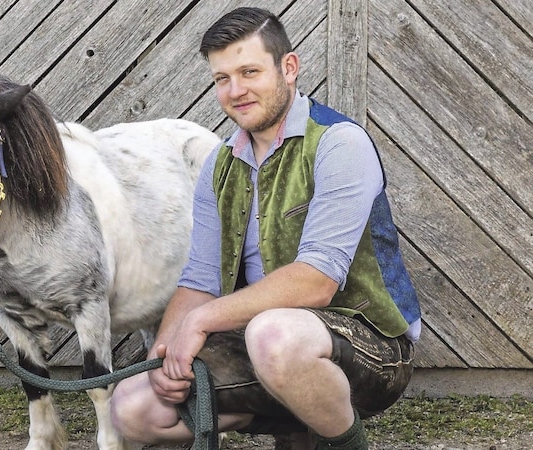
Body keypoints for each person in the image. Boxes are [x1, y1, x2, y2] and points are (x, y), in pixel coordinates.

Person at [110, 6, 422, 450]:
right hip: (267, 344)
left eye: (249, 71)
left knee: (273, 334)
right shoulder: (220, 165)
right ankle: (294, 417)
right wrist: (166, 352)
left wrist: (200, 322)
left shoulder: (339, 143)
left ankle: (343, 442)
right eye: (222, 79)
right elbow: (198, 279)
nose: (235, 90)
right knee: (133, 406)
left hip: (372, 345)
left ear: (288, 68)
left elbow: (316, 282)